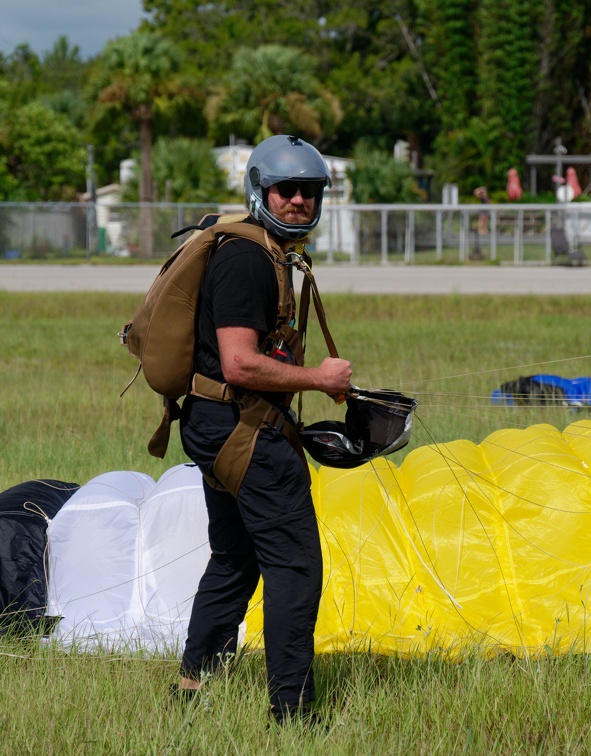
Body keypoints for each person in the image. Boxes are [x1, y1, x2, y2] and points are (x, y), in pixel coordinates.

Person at [175, 134, 352, 725]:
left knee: (235, 557)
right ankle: (293, 711)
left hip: (214, 422)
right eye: (287, 189)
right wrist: (318, 379)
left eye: (311, 190)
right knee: (295, 565)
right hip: (241, 425)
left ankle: (194, 684)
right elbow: (239, 362)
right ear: (260, 191)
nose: (300, 200)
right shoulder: (249, 258)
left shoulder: (267, 250)